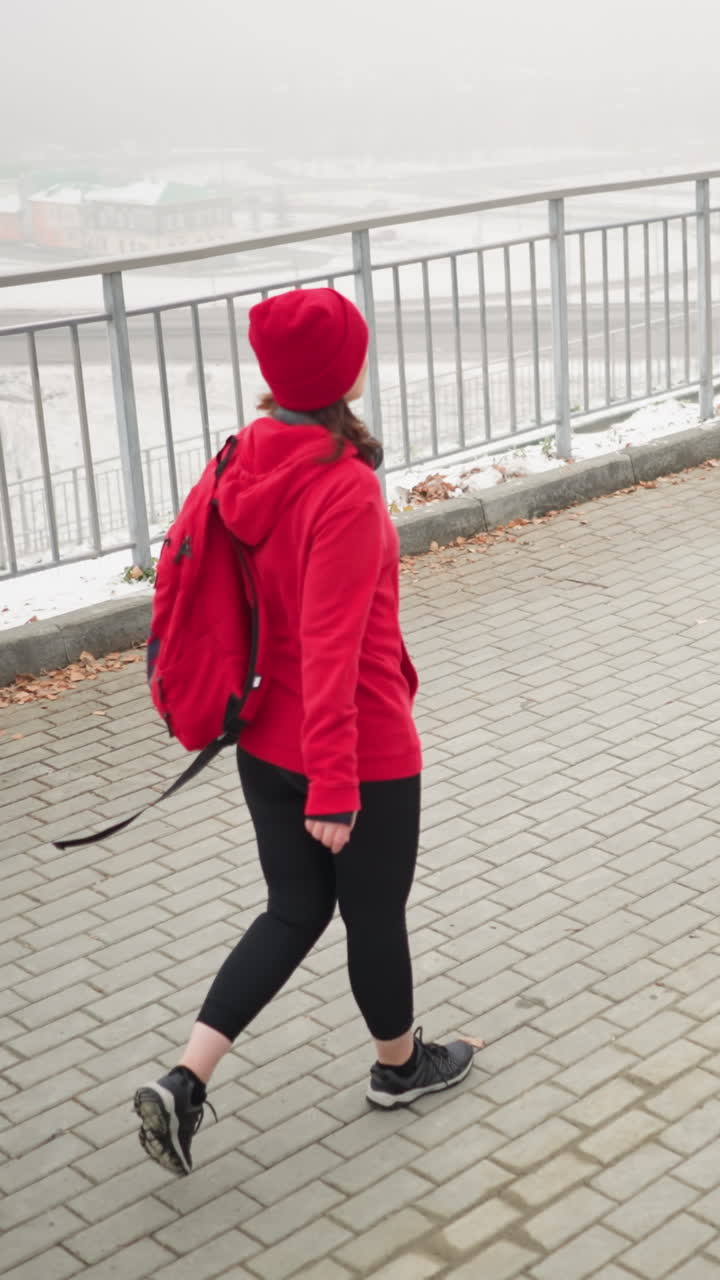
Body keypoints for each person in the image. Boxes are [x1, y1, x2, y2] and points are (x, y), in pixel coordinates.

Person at [134, 287, 475, 1176]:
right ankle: (401, 1069)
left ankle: (186, 1079)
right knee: (372, 917)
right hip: (352, 746)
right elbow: (331, 647)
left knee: (293, 909)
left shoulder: (244, 456)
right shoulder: (343, 488)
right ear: (348, 373)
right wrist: (337, 781)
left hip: (263, 738)